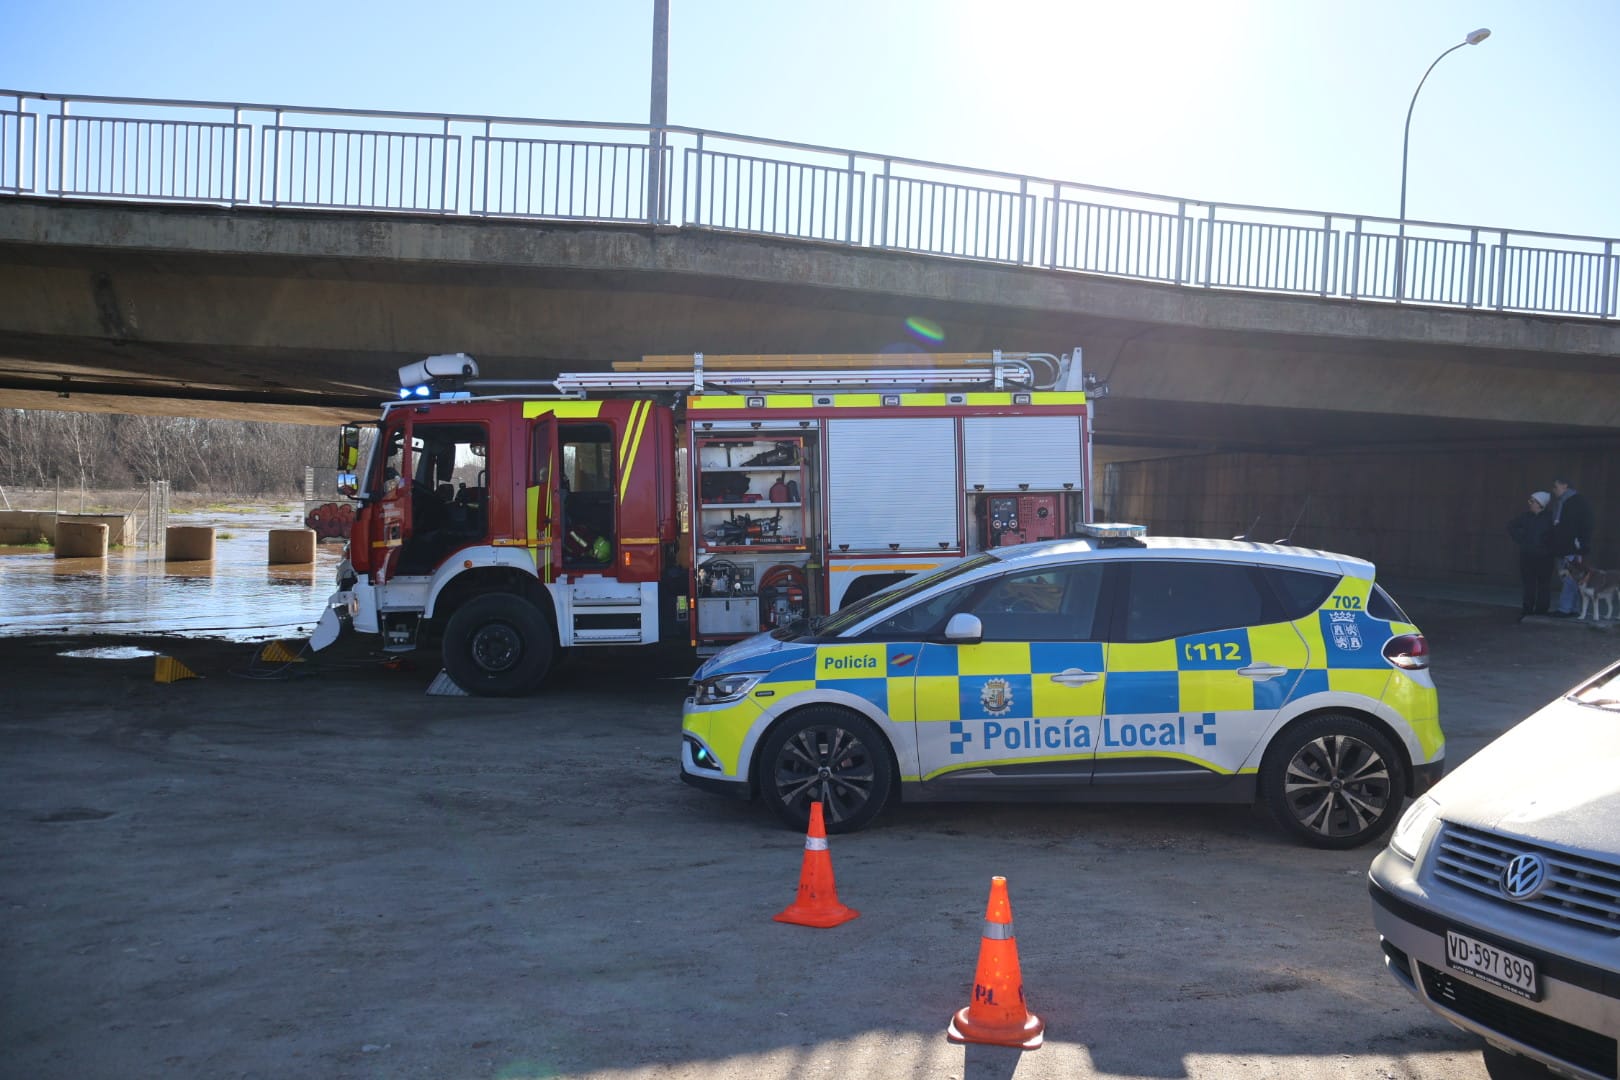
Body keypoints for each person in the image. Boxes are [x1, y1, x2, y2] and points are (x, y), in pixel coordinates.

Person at [1548, 475, 1595, 618]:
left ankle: (1565, 608)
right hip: (1566, 546)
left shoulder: (1575, 502)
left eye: (1556, 486)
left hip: (1572, 546)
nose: (1554, 490)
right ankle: (1573, 608)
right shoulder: (1564, 502)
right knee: (1570, 578)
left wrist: (1580, 543)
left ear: (1565, 486)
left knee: (1569, 577)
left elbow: (1582, 525)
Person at [1507, 491, 1554, 619]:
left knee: (1544, 584)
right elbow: (1511, 526)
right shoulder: (1526, 516)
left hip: (1545, 556)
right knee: (1529, 584)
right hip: (1528, 555)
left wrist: (1549, 545)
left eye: (1532, 501)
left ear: (1540, 504)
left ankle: (1541, 610)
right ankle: (1527, 609)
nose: (1529, 503)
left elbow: (1557, 534)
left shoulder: (1551, 517)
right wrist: (1521, 539)